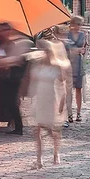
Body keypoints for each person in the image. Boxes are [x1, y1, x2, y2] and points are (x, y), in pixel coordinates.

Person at [28, 30, 68, 168]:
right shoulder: (38, 64)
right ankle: (39, 159)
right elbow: (32, 80)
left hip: (51, 97)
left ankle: (56, 152)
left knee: (51, 130)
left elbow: (63, 84)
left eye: (44, 50)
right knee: (37, 129)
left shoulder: (56, 65)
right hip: (40, 96)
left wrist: (63, 101)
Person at [0, 22, 33, 136]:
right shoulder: (6, 42)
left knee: (12, 101)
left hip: (16, 76)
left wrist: (1, 62)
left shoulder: (20, 42)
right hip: (9, 75)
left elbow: (17, 59)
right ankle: (15, 125)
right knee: (9, 100)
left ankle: (18, 127)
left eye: (1, 30)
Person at [64, 15, 87, 123]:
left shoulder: (83, 35)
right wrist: (76, 50)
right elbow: (67, 49)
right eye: (77, 24)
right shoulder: (67, 34)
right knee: (68, 90)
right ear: (72, 24)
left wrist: (78, 50)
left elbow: (83, 49)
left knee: (79, 89)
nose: (79, 27)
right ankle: (69, 113)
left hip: (79, 63)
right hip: (69, 63)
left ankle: (78, 112)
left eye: (80, 24)